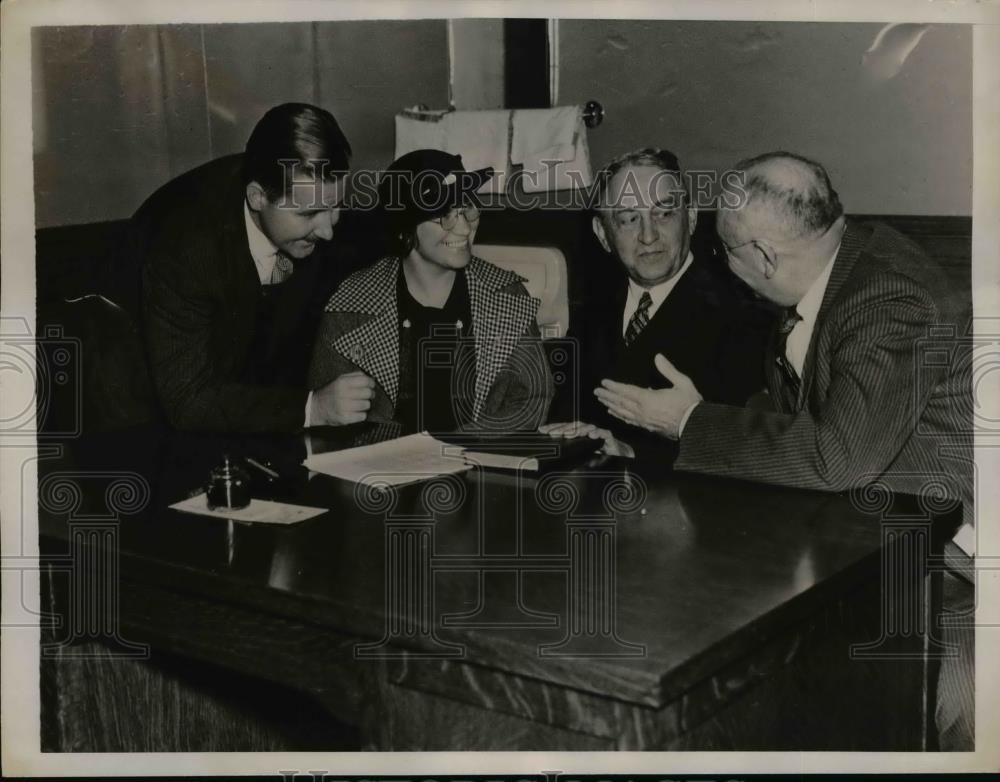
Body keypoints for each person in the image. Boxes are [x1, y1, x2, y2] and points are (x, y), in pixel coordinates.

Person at [584, 151, 975, 749]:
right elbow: (805, 416)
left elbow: (836, 458)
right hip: (874, 542)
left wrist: (689, 422)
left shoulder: (888, 296)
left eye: (725, 251)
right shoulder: (848, 266)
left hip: (951, 568)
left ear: (764, 257)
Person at [138, 102, 371, 433]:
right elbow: (189, 400)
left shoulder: (302, 198)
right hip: (137, 410)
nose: (327, 230)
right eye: (308, 214)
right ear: (257, 197)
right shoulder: (185, 245)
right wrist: (312, 408)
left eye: (335, 208)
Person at [542, 147, 769, 456]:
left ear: (689, 218)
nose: (648, 236)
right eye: (629, 219)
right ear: (603, 234)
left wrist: (631, 452)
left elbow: (748, 447)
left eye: (663, 214)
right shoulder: (593, 311)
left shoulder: (745, 314)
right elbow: (566, 414)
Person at [308, 149, 553, 434]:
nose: (463, 228)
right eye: (444, 216)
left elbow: (534, 397)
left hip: (479, 466)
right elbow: (327, 420)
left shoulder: (508, 295)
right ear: (405, 229)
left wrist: (464, 446)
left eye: (467, 209)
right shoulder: (351, 304)